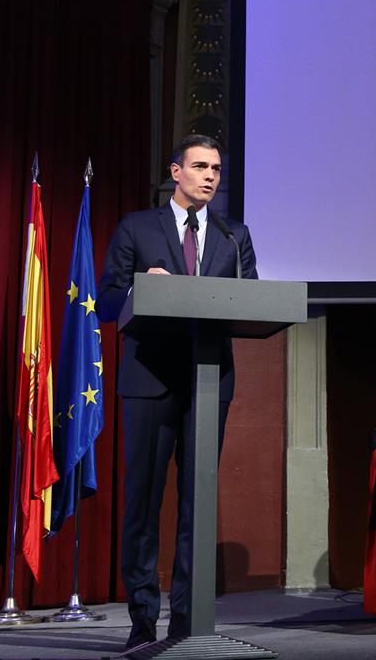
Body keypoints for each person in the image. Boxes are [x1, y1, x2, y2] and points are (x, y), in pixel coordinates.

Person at [96, 134, 257, 651]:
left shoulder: (235, 236)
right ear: (175, 172)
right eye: (201, 166)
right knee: (142, 502)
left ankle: (187, 623)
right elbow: (105, 301)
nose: (211, 176)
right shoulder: (137, 227)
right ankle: (143, 619)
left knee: (197, 503)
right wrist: (146, 283)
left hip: (210, 381)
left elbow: (250, 299)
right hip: (149, 380)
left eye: (216, 168)